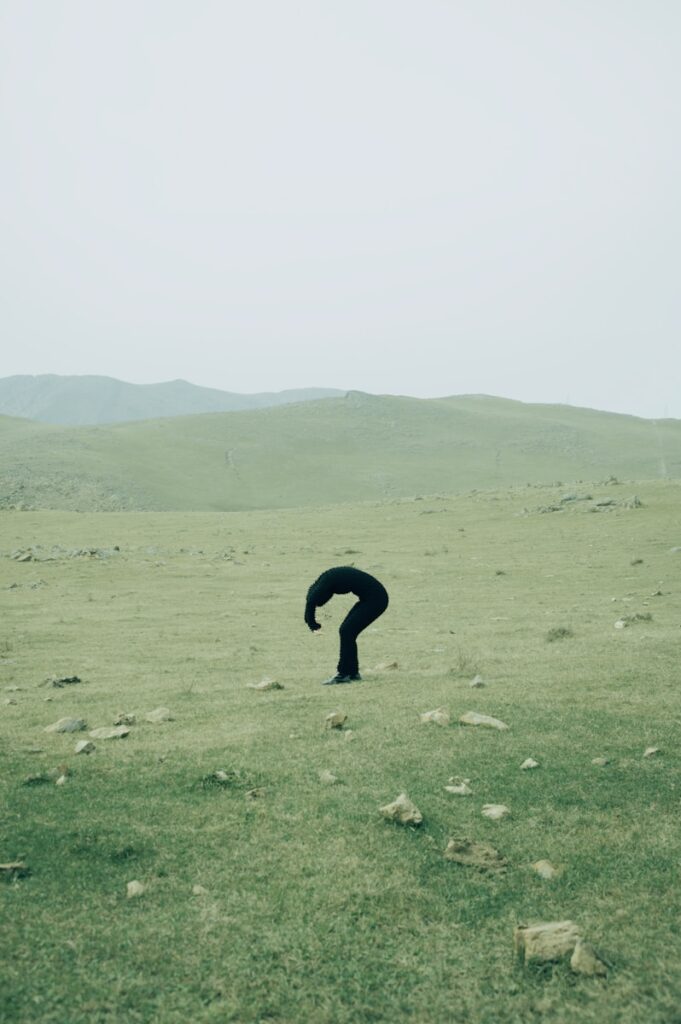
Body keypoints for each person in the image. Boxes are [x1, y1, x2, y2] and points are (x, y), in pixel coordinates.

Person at [304, 566, 389, 684]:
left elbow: (311, 602)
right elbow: (311, 599)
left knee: (347, 632)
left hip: (376, 600)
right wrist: (311, 622)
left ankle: (343, 674)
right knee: (347, 632)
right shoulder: (325, 579)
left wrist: (312, 625)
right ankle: (353, 673)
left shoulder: (326, 582)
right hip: (370, 598)